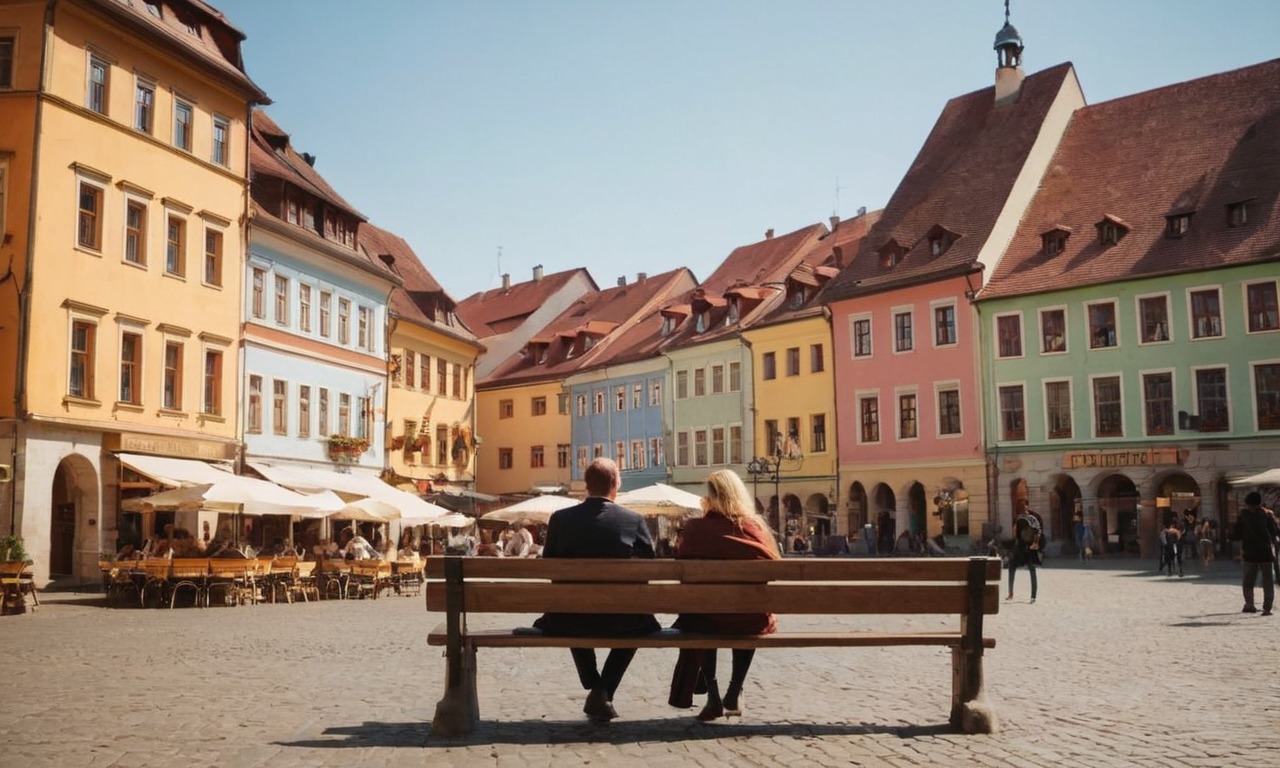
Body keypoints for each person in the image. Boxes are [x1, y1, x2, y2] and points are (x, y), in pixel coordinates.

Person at [533, 458, 660, 723]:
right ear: (614, 485)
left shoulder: (560, 519)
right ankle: (602, 689)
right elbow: (651, 568)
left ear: (587, 486)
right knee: (642, 624)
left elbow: (549, 567)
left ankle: (593, 681)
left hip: (566, 617)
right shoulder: (632, 520)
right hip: (621, 619)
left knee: (572, 609)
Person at [668, 470, 781, 722]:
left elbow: (682, 567)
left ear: (710, 497)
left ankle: (713, 695)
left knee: (703, 615)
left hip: (705, 620)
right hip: (748, 619)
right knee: (753, 611)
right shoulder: (754, 529)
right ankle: (735, 688)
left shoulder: (695, 529)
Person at [1230, 492, 1278, 615]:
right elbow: (1274, 533)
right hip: (1266, 552)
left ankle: (1250, 604)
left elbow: (1237, 534)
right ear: (1259, 502)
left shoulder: (1244, 515)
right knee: (1267, 581)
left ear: (1247, 503)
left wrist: (1231, 536)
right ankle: (1267, 608)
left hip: (1250, 552)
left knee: (1248, 580)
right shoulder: (1268, 514)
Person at [1007, 507, 1041, 603]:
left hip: (1020, 548)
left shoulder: (1018, 519)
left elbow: (1014, 534)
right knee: (1032, 571)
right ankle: (1033, 596)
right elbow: (1038, 532)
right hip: (1029, 548)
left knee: (1012, 568)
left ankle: (1010, 593)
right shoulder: (1033, 519)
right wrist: (1035, 543)